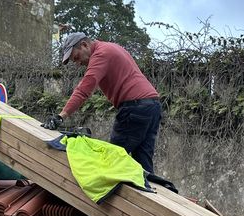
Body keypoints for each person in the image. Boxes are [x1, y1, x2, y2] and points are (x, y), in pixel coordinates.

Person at [43, 32, 162, 174]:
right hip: (152, 106)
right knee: (143, 166)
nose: (78, 63)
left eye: (76, 57)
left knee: (111, 162)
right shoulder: (110, 47)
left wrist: (60, 116)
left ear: (84, 45)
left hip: (135, 108)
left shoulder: (101, 54)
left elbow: (83, 91)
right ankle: (155, 195)